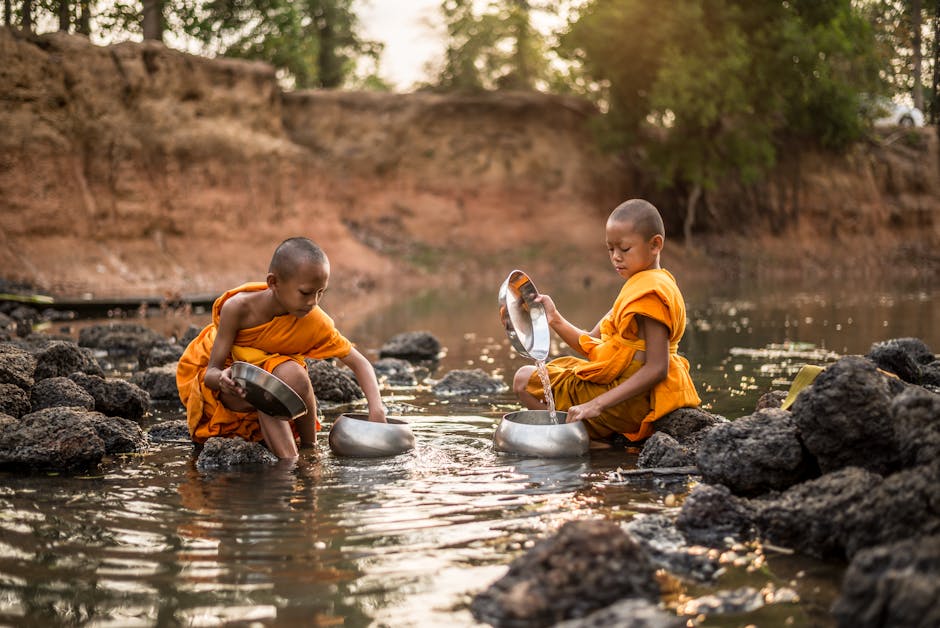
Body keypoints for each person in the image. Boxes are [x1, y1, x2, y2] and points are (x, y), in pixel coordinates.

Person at [512, 198, 700, 447]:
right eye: (610, 249)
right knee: (543, 373)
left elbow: (657, 368)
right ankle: (596, 440)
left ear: (655, 245)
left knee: (524, 380)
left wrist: (595, 405)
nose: (615, 258)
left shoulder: (651, 293)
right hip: (621, 392)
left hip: (634, 400)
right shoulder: (637, 286)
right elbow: (592, 343)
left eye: (624, 249)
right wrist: (555, 318)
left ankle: (586, 442)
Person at [176, 237, 387, 458]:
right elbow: (211, 373)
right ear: (273, 282)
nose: (313, 302)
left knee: (291, 374)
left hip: (277, 393)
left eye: (320, 292)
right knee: (265, 389)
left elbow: (359, 362)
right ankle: (291, 464)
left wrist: (377, 409)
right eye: (305, 293)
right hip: (233, 394)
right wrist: (223, 379)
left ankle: (309, 450)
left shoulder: (314, 320)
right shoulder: (238, 309)